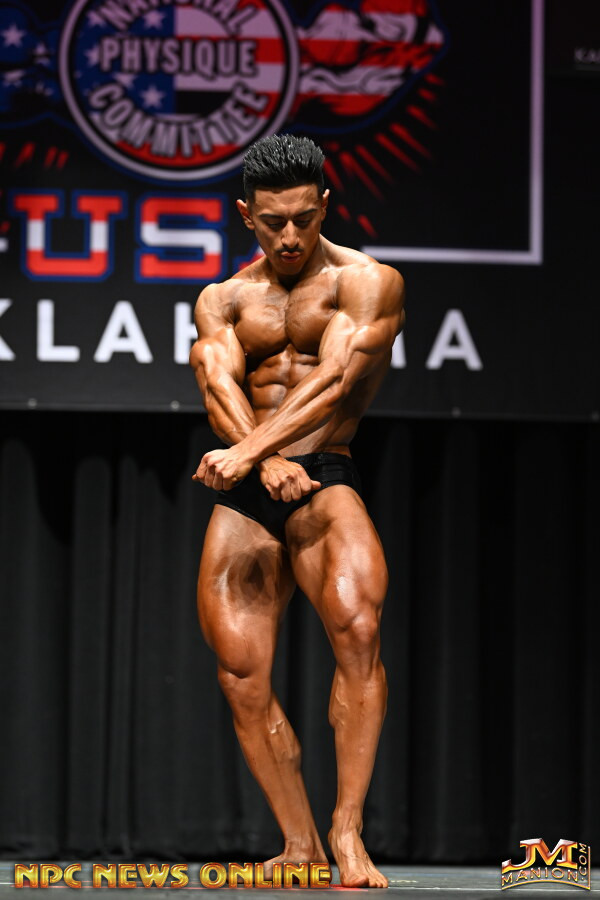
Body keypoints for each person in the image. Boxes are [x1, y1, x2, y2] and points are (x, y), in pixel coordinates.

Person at [190, 134, 405, 889]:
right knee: (240, 673)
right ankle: (300, 842)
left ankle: (347, 829)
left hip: (323, 472)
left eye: (305, 219)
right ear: (246, 214)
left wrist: (256, 453)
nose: (290, 236)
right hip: (253, 483)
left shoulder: (367, 283)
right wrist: (260, 462)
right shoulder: (222, 299)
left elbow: (336, 379)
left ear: (325, 206)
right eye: (274, 221)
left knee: (360, 632)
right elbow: (218, 387)